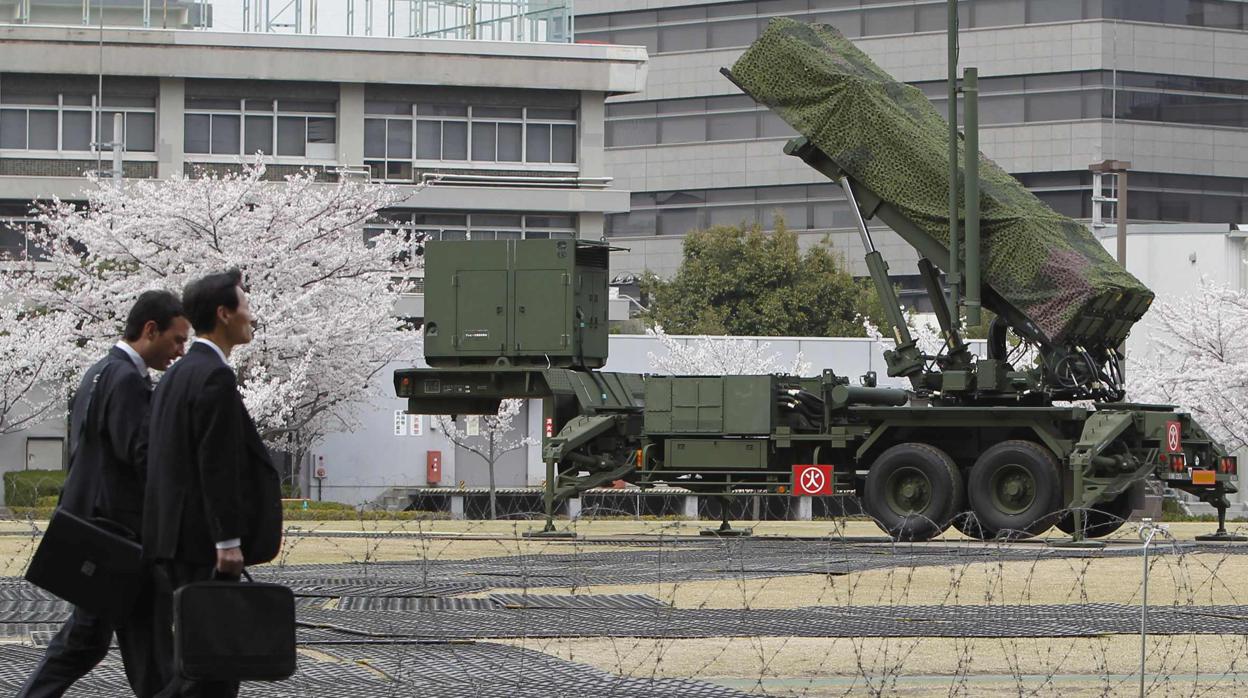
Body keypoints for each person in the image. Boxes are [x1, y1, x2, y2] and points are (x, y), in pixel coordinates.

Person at [19, 290, 190, 698]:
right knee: (140, 648)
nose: (181, 351)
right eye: (177, 339)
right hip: (119, 536)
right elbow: (141, 456)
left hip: (94, 531)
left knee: (91, 642)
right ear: (151, 329)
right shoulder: (128, 379)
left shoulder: (97, 371)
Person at [144, 269, 282, 698]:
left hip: (172, 540)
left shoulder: (176, 375)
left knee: (204, 665)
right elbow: (215, 464)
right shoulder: (214, 376)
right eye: (245, 305)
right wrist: (228, 543)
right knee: (212, 669)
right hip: (203, 545)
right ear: (224, 313)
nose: (252, 317)